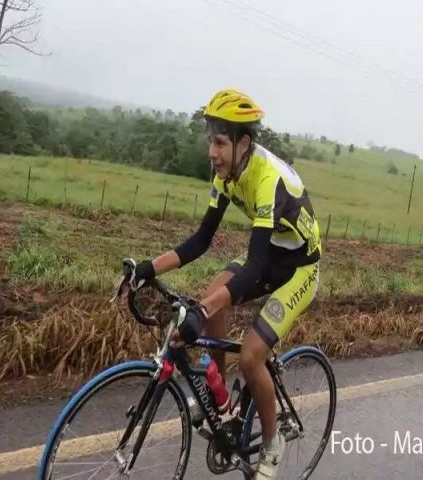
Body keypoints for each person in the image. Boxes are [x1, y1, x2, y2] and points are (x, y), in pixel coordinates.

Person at [128, 88, 322, 479]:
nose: (211, 152)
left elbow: (254, 264)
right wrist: (148, 267)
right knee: (217, 287)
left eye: (219, 143)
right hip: (271, 257)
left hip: (300, 267)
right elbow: (201, 241)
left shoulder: (268, 180)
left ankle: (272, 444)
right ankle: (221, 404)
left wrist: (203, 311)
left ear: (243, 143)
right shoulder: (227, 175)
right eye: (210, 141)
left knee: (251, 354)